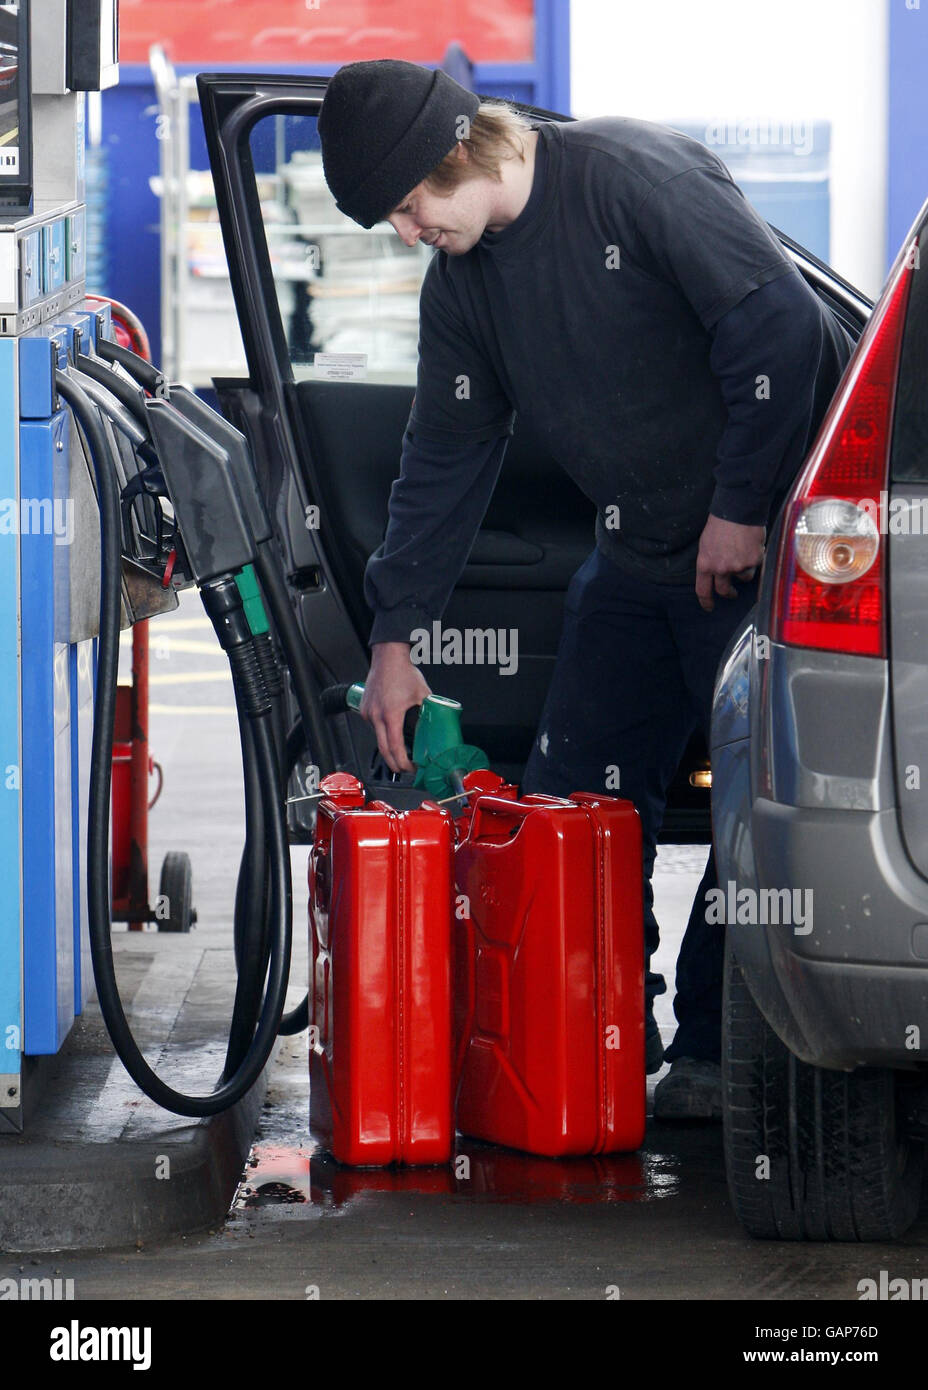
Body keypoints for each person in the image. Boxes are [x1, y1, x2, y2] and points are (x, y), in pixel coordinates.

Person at [317, 59, 854, 1119]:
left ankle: (713, 1048)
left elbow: (779, 334)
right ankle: (595, 1041)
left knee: (761, 817)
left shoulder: (630, 178)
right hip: (640, 552)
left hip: (777, 547)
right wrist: (393, 639)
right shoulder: (466, 288)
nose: (408, 229)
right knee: (572, 803)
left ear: (460, 153)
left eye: (411, 204)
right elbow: (443, 458)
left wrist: (741, 510)